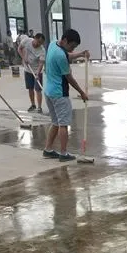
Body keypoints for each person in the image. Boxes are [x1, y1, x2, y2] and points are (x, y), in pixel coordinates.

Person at [43, 29, 89, 162]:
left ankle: (48, 149)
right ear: (65, 41)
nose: (73, 49)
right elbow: (69, 78)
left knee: (55, 122)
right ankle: (63, 153)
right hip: (59, 93)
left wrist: (80, 54)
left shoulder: (53, 44)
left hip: (48, 92)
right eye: (72, 46)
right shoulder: (61, 56)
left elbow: (66, 54)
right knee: (63, 124)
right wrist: (82, 92)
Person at [18, 32, 46, 113]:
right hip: (27, 69)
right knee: (30, 88)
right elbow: (19, 49)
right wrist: (23, 58)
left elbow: (41, 63)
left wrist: (38, 73)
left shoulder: (42, 50)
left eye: (41, 43)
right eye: (38, 42)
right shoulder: (26, 41)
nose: (39, 44)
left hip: (37, 70)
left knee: (38, 89)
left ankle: (39, 107)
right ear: (35, 38)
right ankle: (33, 105)